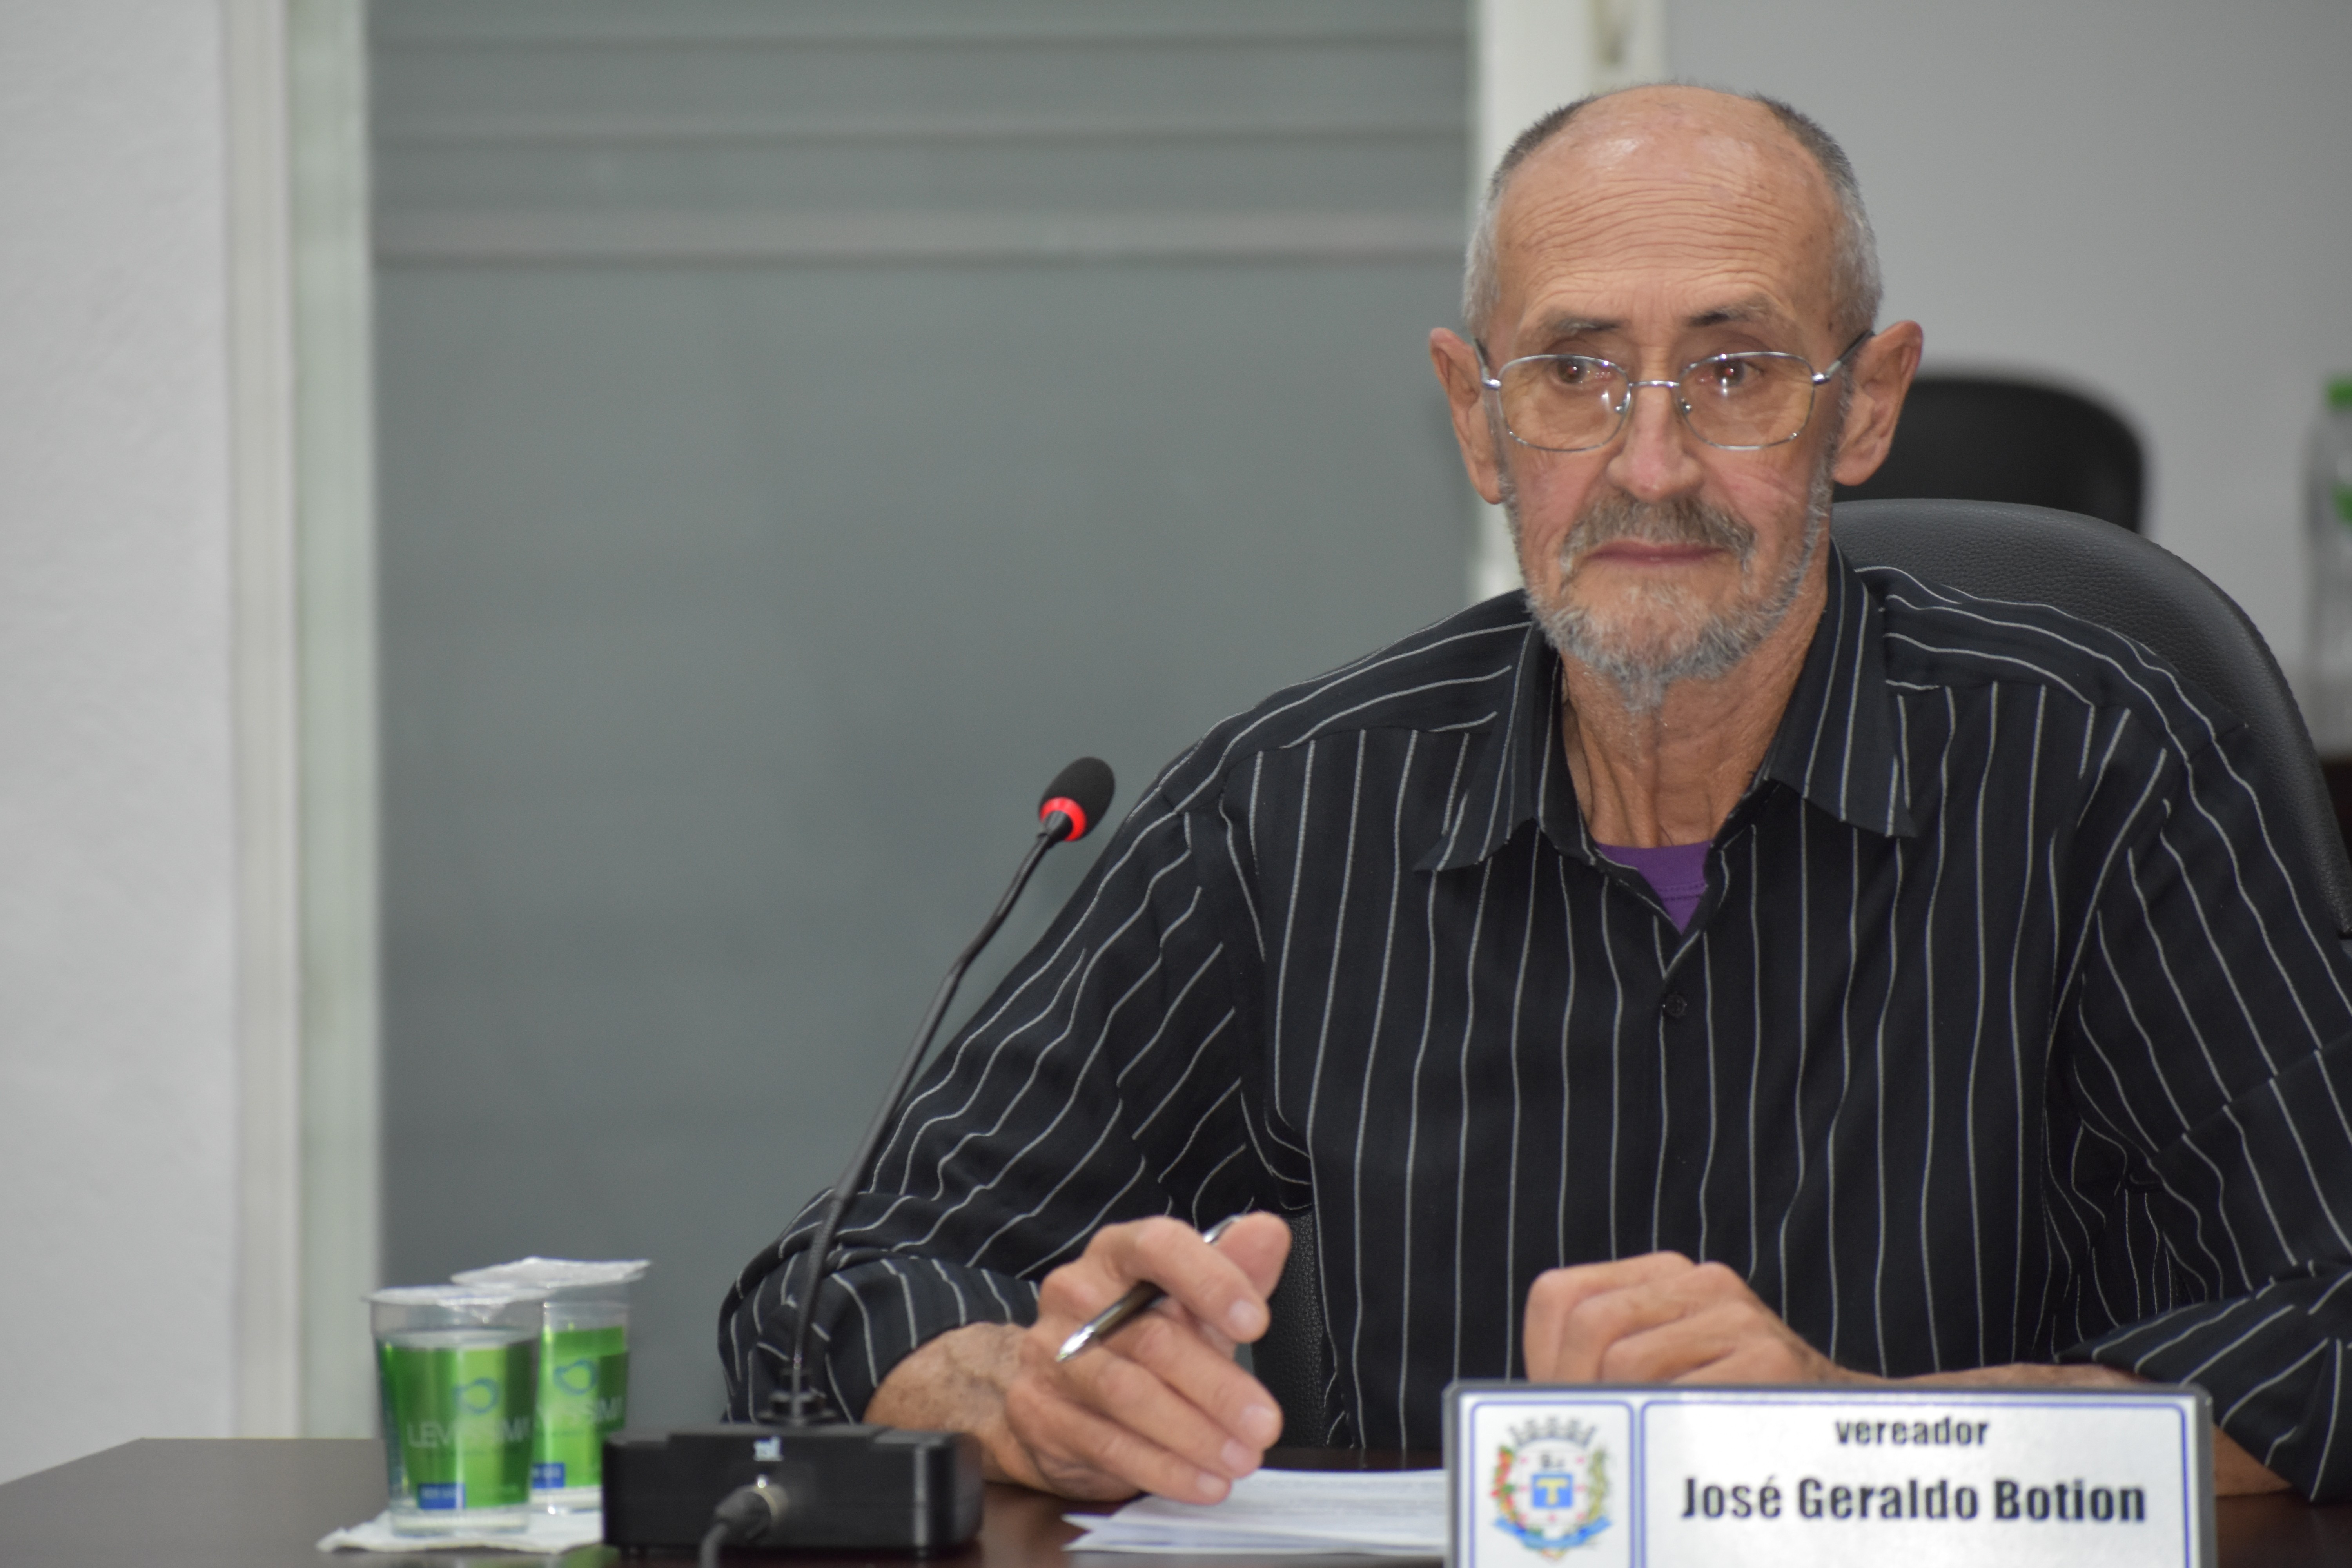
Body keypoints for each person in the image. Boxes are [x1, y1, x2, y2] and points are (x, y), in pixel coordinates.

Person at [721, 85, 2352, 1506]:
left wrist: (1859, 1435)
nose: (1649, 466)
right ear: (1478, 418)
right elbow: (828, 1293)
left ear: (1862, 404)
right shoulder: (1290, 813)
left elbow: (2328, 1325)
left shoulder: (2103, 770)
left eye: (1733, 371)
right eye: (1574, 372)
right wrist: (1029, 1393)